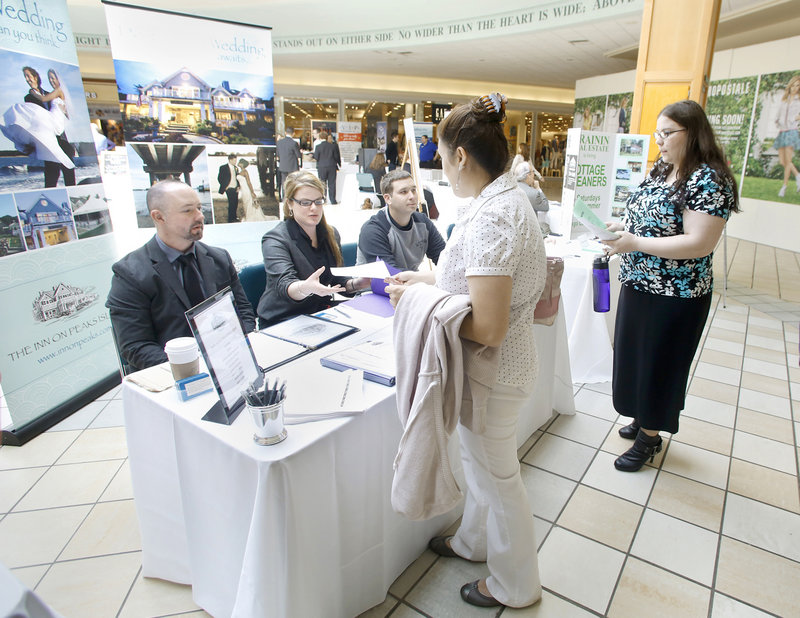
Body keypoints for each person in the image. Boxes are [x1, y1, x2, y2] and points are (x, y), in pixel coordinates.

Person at [386, 93, 546, 609]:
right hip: (501, 370)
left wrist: (421, 301)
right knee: (484, 470)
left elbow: (489, 324)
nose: (437, 165)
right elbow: (476, 283)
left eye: (438, 152)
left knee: (497, 480)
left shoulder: (495, 215)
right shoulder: (501, 198)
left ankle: (515, 585)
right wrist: (429, 278)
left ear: (460, 156)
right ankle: (473, 543)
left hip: (496, 372)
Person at [601, 99, 739, 472]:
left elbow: (699, 243)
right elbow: (645, 214)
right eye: (657, 132)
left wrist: (636, 243)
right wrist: (622, 230)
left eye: (666, 133)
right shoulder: (664, 168)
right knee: (633, 358)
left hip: (676, 295)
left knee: (659, 366)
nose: (658, 140)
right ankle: (640, 417)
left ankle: (650, 436)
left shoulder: (711, 178)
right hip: (639, 283)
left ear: (691, 133)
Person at [106, 179, 255, 371]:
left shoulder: (219, 258)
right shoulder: (130, 273)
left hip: (229, 364)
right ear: (159, 217)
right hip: (173, 372)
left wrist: (240, 348)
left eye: (199, 208)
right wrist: (194, 369)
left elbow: (242, 311)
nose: (200, 216)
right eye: (188, 210)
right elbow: (135, 346)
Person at [257, 171, 367, 326]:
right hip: (284, 320)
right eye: (305, 202)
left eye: (318, 201)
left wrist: (359, 283)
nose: (314, 208)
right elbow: (285, 284)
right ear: (289, 203)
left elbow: (335, 281)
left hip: (320, 315)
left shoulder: (331, 233)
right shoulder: (275, 239)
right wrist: (305, 288)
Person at [0, 67, 76, 187]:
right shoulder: (29, 97)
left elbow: (63, 114)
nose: (27, 79)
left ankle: (73, 192)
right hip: (46, 138)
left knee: (68, 166)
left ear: (35, 77)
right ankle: (50, 194)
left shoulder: (50, 93)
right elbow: (31, 119)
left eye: (28, 75)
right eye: (25, 76)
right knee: (52, 170)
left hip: (60, 136)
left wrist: (63, 110)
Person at [356, 169, 445, 270]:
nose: (412, 196)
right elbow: (391, 277)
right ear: (388, 198)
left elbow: (446, 260)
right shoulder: (373, 230)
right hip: (380, 285)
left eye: (413, 190)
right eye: (403, 192)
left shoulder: (423, 222)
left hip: (410, 283)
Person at [774, 74, 800, 197]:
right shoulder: (784, 99)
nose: (795, 88)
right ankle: (798, 176)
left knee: (788, 160)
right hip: (782, 131)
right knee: (783, 162)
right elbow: (779, 113)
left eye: (798, 85)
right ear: (790, 85)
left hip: (791, 131)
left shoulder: (798, 100)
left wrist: (794, 119)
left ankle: (783, 187)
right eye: (794, 85)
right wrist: (777, 121)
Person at [313, 130, 341, 204]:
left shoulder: (318, 147)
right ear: (326, 137)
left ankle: (323, 199)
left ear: (320, 137)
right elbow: (336, 156)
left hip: (321, 167)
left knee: (322, 184)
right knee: (332, 184)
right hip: (332, 166)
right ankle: (332, 200)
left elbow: (316, 157)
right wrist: (339, 164)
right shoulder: (332, 146)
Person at [276, 127, 302, 199]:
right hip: (292, 167)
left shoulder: (279, 143)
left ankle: (285, 198)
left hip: (283, 166)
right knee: (293, 183)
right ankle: (292, 197)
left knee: (284, 183)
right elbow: (298, 155)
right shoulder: (294, 143)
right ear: (293, 133)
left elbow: (278, 154)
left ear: (285, 133)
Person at [217, 154, 239, 222]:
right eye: (234, 160)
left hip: (235, 188)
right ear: (230, 160)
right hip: (228, 188)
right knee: (231, 203)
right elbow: (219, 178)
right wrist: (225, 187)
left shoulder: (236, 168)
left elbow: (237, 178)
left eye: (236, 160)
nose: (236, 162)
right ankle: (230, 219)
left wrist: (238, 186)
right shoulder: (223, 167)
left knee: (235, 203)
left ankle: (234, 217)